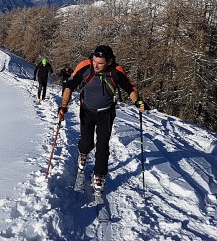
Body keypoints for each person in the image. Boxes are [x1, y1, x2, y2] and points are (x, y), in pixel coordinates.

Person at [57, 45, 148, 194]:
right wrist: (64, 105)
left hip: (106, 113)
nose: (95, 65)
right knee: (86, 142)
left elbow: (130, 88)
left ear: (110, 61)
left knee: (102, 146)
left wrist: (138, 102)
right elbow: (69, 86)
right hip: (87, 110)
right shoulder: (85, 66)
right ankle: (83, 155)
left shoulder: (116, 71)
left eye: (100, 63)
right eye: (94, 60)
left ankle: (99, 175)